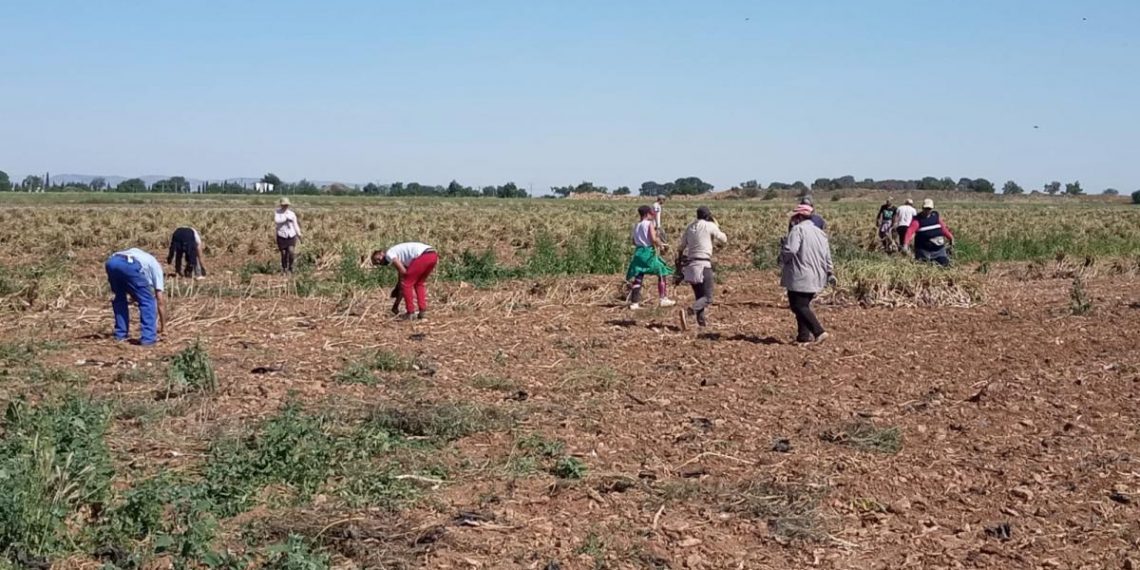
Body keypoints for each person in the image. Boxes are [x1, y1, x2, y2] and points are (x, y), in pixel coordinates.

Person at [780, 204, 834, 344]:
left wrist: (782, 257)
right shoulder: (820, 233)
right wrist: (830, 272)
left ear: (798, 217)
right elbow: (827, 256)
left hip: (801, 274)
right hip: (817, 275)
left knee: (798, 306)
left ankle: (819, 331)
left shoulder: (798, 230)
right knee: (803, 305)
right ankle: (803, 337)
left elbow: (791, 250)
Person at [105, 247, 167, 345]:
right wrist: (164, 327)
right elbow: (160, 300)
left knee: (119, 298)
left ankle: (120, 334)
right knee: (148, 301)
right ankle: (148, 338)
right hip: (129, 265)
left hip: (111, 262)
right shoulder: (156, 267)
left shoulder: (139, 255)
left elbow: (133, 286)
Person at [677, 206, 727, 328]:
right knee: (708, 298)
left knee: (700, 297)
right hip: (703, 264)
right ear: (707, 216)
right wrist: (716, 225)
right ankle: (690, 310)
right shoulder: (709, 226)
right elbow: (723, 239)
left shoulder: (690, 227)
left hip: (690, 266)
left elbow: (681, 247)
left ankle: (701, 324)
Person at [371, 242, 438, 320]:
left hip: (423, 256)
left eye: (377, 258)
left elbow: (403, 273)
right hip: (433, 255)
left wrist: (400, 286)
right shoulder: (401, 256)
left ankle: (410, 312)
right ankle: (422, 311)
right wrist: (396, 302)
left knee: (407, 284)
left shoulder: (389, 254)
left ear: (382, 252)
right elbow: (402, 277)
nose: (379, 262)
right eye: (377, 263)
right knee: (419, 283)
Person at [626, 205, 675, 310]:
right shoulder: (649, 224)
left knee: (639, 274)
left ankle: (634, 303)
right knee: (662, 270)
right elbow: (653, 238)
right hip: (648, 252)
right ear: (647, 214)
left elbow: (634, 241)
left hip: (638, 252)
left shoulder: (636, 225)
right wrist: (661, 244)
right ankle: (663, 298)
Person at [904, 199, 955, 266]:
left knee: (945, 265)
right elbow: (910, 231)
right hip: (924, 251)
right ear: (923, 208)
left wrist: (951, 238)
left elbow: (943, 229)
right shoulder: (918, 220)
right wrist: (905, 244)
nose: (927, 211)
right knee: (924, 266)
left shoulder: (935, 217)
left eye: (929, 209)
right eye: (926, 208)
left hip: (939, 250)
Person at [274, 198, 302, 273]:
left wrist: (299, 234)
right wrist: (286, 219)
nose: (285, 206)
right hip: (281, 235)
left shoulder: (292, 214)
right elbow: (277, 221)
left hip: (291, 235)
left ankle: (291, 267)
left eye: (286, 205)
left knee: (291, 251)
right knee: (283, 253)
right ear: (281, 205)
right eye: (284, 205)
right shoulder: (278, 212)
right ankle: (284, 268)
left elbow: (295, 225)